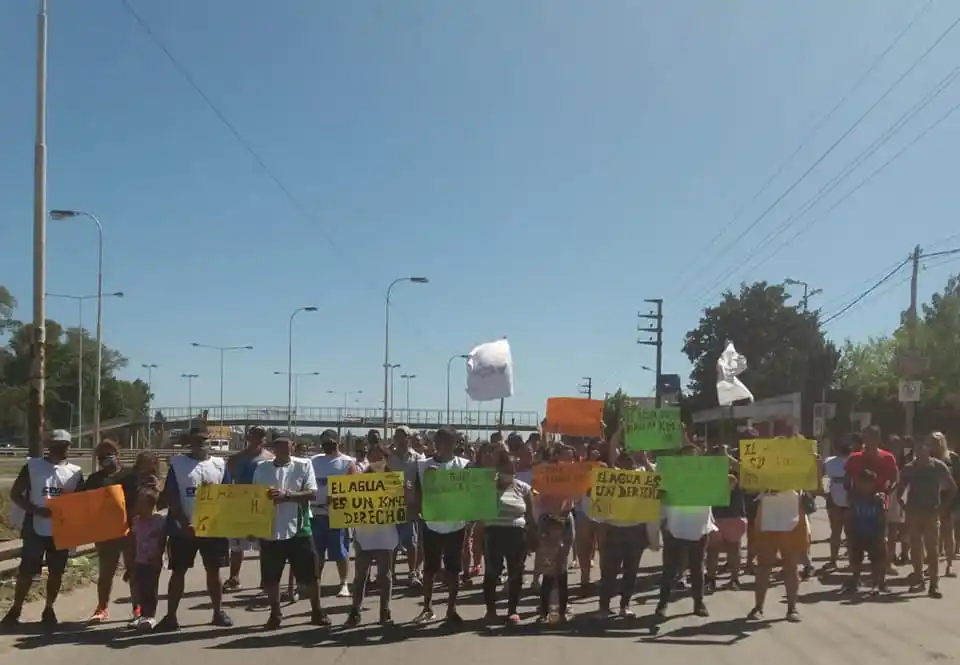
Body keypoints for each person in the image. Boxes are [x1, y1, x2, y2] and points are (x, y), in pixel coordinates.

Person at [1, 430, 84, 629]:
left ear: (69, 446)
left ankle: (49, 608)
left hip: (61, 529)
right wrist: (35, 510)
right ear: (49, 445)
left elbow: (81, 500)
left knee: (57, 571)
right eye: (57, 445)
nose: (61, 448)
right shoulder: (33, 466)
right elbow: (16, 493)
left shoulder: (75, 471)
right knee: (27, 571)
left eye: (65, 445)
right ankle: (17, 607)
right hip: (35, 526)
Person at [156, 427, 232, 631]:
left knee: (214, 571)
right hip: (183, 530)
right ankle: (171, 617)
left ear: (209, 441)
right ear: (190, 441)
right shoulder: (178, 464)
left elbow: (227, 495)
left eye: (204, 440)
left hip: (212, 529)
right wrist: (184, 522)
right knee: (178, 572)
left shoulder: (219, 464)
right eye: (197, 440)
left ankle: (218, 612)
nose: (201, 443)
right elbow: (172, 496)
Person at [253, 437, 327, 629]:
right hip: (270, 529)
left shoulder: (304, 465)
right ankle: (275, 614)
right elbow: (253, 496)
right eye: (279, 445)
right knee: (271, 577)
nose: (284, 449)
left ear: (293, 447)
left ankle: (316, 611)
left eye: (287, 445)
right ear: (273, 448)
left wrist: (289, 496)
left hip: (299, 529)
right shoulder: (262, 468)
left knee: (311, 575)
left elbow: (312, 493)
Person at [80, 439, 141, 623]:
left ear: (118, 455)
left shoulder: (131, 476)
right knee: (106, 573)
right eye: (102, 456)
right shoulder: (94, 480)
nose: (106, 458)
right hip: (105, 533)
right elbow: (84, 503)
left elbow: (142, 499)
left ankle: (137, 608)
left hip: (129, 530)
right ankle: (102, 607)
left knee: (133, 571)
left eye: (109, 454)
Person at [414, 425, 469, 626]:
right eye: (439, 441)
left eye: (448, 441)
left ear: (455, 444)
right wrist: (418, 512)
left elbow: (473, 492)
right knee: (430, 569)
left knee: (453, 570)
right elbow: (417, 493)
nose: (443, 445)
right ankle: (427, 608)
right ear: (435, 443)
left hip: (456, 525)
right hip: (432, 525)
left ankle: (451, 609)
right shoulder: (422, 465)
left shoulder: (465, 465)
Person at [657, 444, 716, 620]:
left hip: (699, 528)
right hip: (674, 527)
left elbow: (730, 482)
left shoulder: (706, 477)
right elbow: (661, 498)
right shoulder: (670, 477)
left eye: (693, 456)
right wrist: (663, 523)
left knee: (697, 569)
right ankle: (662, 605)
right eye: (686, 456)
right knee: (669, 569)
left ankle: (699, 603)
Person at [482, 445, 535, 625]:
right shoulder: (487, 485)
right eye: (506, 469)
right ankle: (490, 611)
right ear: (498, 468)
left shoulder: (523, 488)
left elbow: (530, 516)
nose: (510, 473)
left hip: (516, 535)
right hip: (494, 534)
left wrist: (532, 537)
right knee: (491, 573)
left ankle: (512, 610)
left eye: (513, 470)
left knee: (516, 573)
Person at [346, 443, 398, 626]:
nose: (377, 461)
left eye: (380, 457)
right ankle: (355, 611)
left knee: (385, 575)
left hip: (385, 534)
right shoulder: (358, 480)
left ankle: (385, 610)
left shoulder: (394, 480)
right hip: (364, 534)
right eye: (374, 457)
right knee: (360, 575)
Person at [900, 434, 956, 598]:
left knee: (932, 550)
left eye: (924, 446)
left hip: (931, 512)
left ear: (928, 448)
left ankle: (934, 583)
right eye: (917, 447)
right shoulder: (910, 467)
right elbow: (900, 488)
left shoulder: (938, 466)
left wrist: (942, 507)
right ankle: (918, 578)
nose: (920, 450)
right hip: (913, 512)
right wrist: (903, 505)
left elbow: (951, 488)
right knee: (916, 549)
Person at [223, 425, 274, 593]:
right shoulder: (236, 459)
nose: (257, 438)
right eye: (254, 435)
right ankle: (234, 577)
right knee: (237, 546)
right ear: (248, 437)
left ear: (265, 438)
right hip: (241, 505)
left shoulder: (270, 458)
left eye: (261, 435)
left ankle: (265, 579)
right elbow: (226, 481)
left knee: (265, 546)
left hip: (262, 506)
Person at [749, 487, 807, 622]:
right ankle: (758, 607)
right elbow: (749, 486)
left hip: (791, 512)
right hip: (768, 511)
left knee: (791, 566)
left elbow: (810, 482)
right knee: (764, 565)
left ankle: (792, 608)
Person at [310, 429, 357, 598]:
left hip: (338, 514)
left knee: (340, 552)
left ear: (338, 443)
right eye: (324, 444)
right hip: (317, 513)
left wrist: (339, 497)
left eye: (331, 443)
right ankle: (315, 582)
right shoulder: (314, 461)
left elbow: (355, 488)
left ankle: (344, 583)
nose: (327, 446)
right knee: (316, 553)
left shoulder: (347, 462)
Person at [386, 426, 425, 587]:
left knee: (412, 542)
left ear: (409, 438)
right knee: (391, 542)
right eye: (397, 436)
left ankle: (412, 573)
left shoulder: (417, 458)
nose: (400, 439)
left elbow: (421, 483)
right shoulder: (387, 457)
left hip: (410, 506)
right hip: (390, 505)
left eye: (403, 436)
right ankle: (390, 573)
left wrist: (420, 505)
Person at [841, 468, 888, 594]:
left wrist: (883, 534)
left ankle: (877, 584)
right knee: (856, 559)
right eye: (862, 483)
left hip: (874, 533)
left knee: (877, 560)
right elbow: (849, 515)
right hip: (857, 533)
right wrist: (848, 533)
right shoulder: (854, 497)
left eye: (868, 483)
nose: (865, 486)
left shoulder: (878, 499)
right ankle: (855, 581)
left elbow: (882, 517)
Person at [131, 488, 167, 630]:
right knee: (140, 588)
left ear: (151, 505)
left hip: (153, 560)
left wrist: (158, 556)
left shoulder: (159, 520)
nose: (138, 507)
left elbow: (162, 540)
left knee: (151, 588)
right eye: (138, 504)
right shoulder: (136, 521)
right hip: (140, 560)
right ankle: (141, 615)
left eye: (142, 504)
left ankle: (150, 616)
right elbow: (134, 541)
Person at [535, 496, 575, 623]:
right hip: (548, 518)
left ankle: (562, 613)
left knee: (562, 583)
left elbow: (570, 538)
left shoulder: (567, 516)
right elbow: (541, 536)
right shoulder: (544, 517)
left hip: (565, 515)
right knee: (547, 581)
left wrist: (563, 552)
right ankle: (543, 613)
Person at [706, 470, 746, 591]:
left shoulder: (736, 472)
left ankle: (732, 580)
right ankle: (713, 580)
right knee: (715, 550)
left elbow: (732, 480)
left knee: (730, 549)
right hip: (720, 516)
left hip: (731, 517)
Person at [822, 435, 853, 570]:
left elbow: (818, 476)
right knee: (850, 533)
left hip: (834, 499)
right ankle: (852, 561)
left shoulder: (829, 462)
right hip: (851, 499)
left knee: (835, 532)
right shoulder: (854, 461)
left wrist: (822, 493)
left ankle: (833, 560)